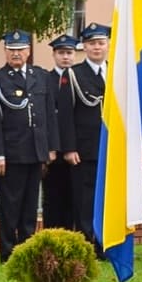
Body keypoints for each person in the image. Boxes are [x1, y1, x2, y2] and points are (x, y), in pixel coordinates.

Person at [0, 30, 59, 262]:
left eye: (21, 49)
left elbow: (49, 116)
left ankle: (27, 248)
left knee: (29, 206)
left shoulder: (41, 76)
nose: (16, 53)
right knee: (10, 205)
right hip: (11, 153)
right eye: (12, 49)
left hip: (36, 151)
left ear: (28, 51)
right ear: (5, 51)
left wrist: (51, 147)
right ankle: (8, 252)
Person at [57, 22, 109, 257]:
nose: (96, 48)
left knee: (110, 199)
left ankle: (108, 244)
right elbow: (66, 114)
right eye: (91, 44)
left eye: (100, 43)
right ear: (84, 47)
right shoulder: (73, 74)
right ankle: (89, 244)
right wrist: (69, 148)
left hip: (112, 148)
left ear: (108, 44)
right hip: (85, 149)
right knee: (86, 200)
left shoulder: (117, 71)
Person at [41, 35, 78, 230]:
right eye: (61, 53)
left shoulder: (78, 78)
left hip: (75, 150)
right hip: (53, 152)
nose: (66, 57)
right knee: (53, 198)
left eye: (69, 53)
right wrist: (49, 147)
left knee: (75, 197)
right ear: (54, 55)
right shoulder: (46, 80)